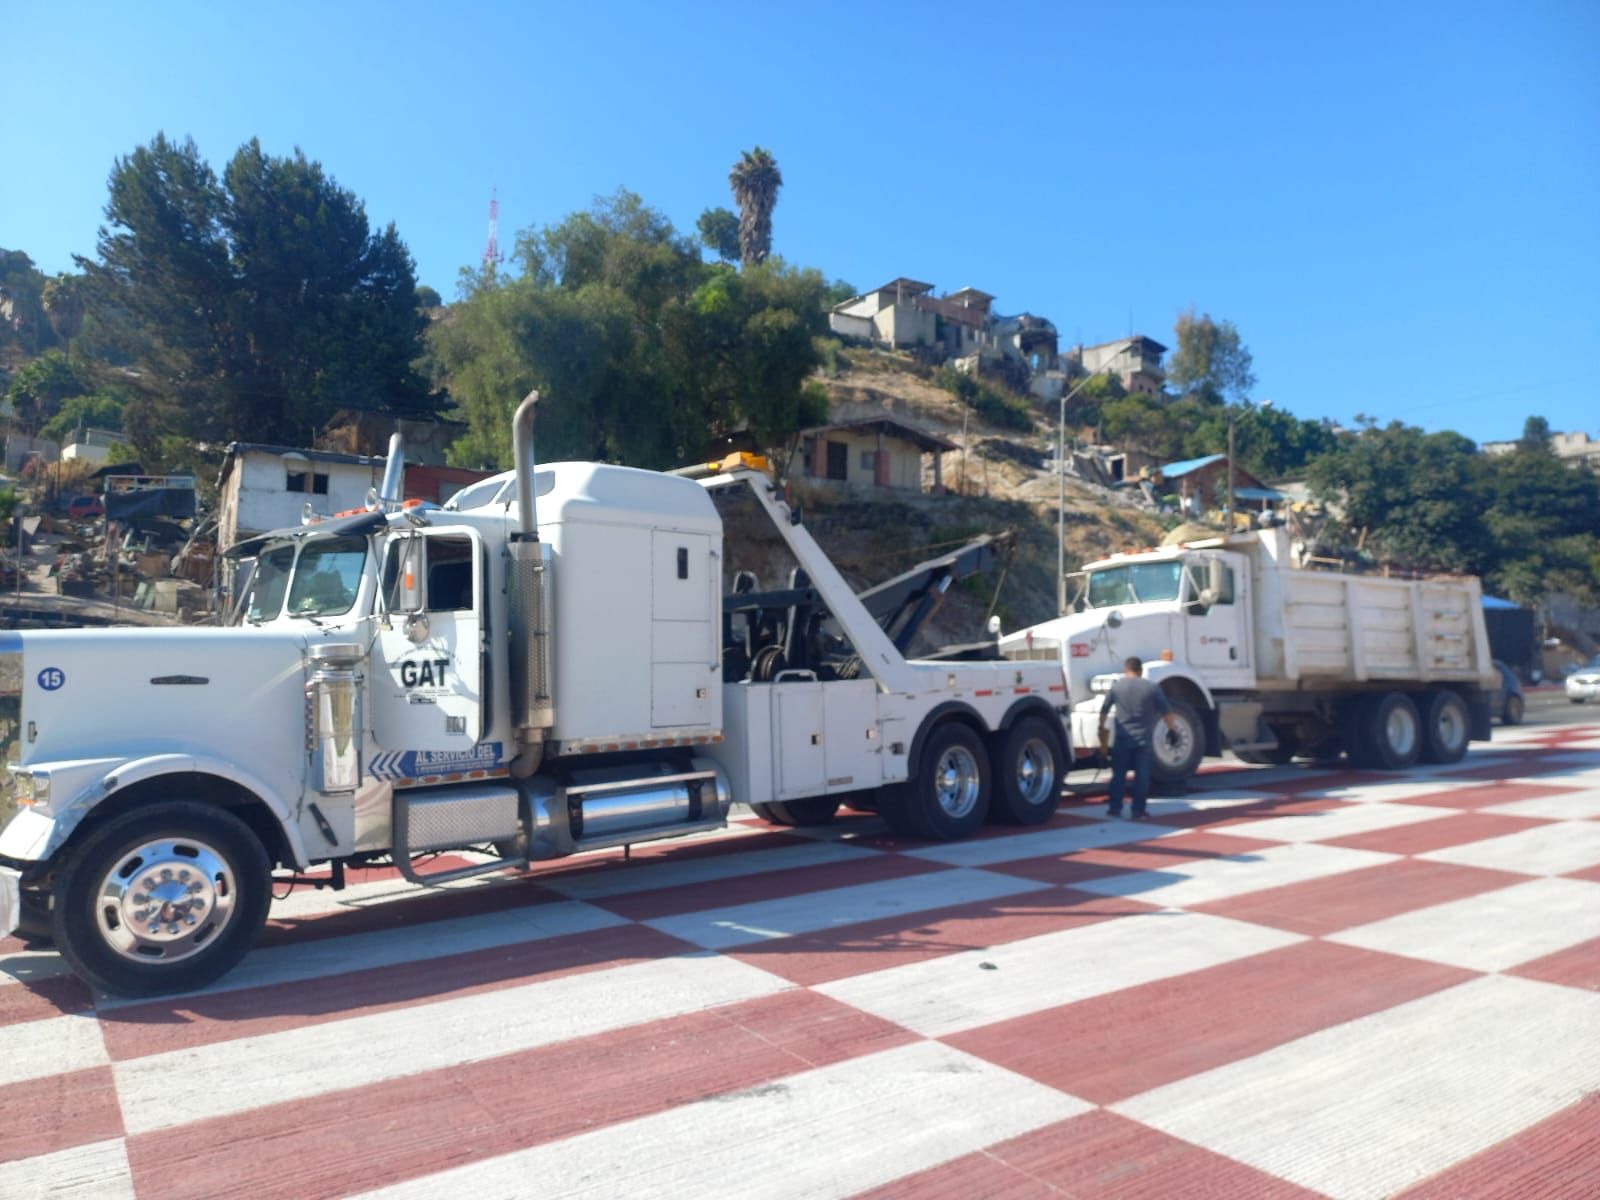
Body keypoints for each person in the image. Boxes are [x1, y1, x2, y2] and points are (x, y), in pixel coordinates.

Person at [1097, 656, 1178, 820]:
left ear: (1125, 670)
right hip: (1143, 740)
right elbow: (1167, 713)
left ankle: (1114, 809)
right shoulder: (1152, 687)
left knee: (1118, 775)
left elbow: (1104, 710)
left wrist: (1101, 730)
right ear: (1141, 671)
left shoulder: (1117, 687)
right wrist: (1172, 730)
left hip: (1121, 739)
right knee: (1141, 776)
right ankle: (1138, 811)